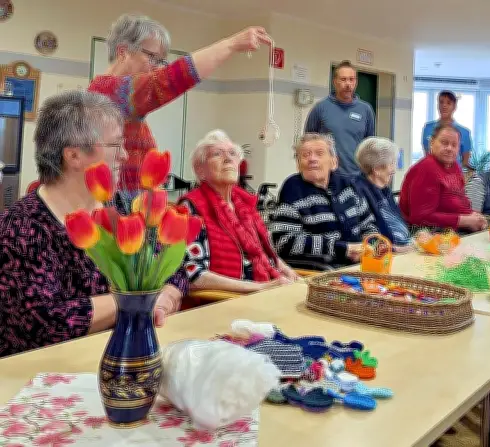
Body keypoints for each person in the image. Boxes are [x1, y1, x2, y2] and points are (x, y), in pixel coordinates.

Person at [0, 90, 187, 358]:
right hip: (46, 376)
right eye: (115, 145)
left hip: (125, 358)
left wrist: (166, 296)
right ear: (74, 156)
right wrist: (140, 299)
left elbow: (174, 269)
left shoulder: (125, 210)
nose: (124, 156)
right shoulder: (21, 228)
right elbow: (46, 323)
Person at [88, 13, 273, 203]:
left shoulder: (119, 100)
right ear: (122, 52)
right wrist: (232, 44)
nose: (157, 68)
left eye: (161, 61)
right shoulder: (109, 90)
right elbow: (172, 78)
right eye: (152, 57)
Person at [180, 130, 298, 294]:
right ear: (200, 170)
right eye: (217, 154)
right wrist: (259, 288)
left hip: (265, 294)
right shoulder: (191, 207)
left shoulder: (245, 206)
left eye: (233, 153)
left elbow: (266, 256)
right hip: (223, 303)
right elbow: (191, 274)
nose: (228, 158)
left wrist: (288, 272)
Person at [269, 133, 379, 268]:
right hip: (322, 271)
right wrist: (343, 249)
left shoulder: (347, 185)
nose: (312, 159)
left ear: (334, 162)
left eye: (319, 154)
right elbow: (283, 241)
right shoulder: (292, 189)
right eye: (305, 155)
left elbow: (368, 225)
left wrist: (370, 246)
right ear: (298, 164)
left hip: (360, 266)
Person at [399, 124, 486, 234]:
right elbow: (420, 218)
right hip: (426, 234)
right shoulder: (426, 168)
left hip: (453, 229)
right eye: (444, 143)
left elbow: (461, 201)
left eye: (454, 145)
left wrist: (473, 216)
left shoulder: (455, 166)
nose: (449, 148)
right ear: (431, 143)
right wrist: (465, 220)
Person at [304, 60, 376, 177]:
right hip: (327, 176)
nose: (348, 84)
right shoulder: (320, 108)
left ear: (356, 82)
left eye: (351, 79)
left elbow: (369, 147)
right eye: (343, 79)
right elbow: (308, 144)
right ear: (335, 82)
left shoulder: (366, 110)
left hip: (356, 177)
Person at [352, 137, 413, 249]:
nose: (394, 170)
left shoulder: (384, 190)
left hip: (403, 248)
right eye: (392, 163)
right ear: (377, 169)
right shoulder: (358, 191)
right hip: (385, 254)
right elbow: (369, 236)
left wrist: (414, 240)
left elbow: (398, 223)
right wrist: (397, 248)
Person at [421, 90, 474, 168]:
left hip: (452, 175)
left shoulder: (464, 132)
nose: (444, 106)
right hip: (432, 172)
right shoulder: (428, 128)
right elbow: (427, 155)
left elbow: (465, 162)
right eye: (441, 102)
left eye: (448, 103)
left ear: (454, 106)